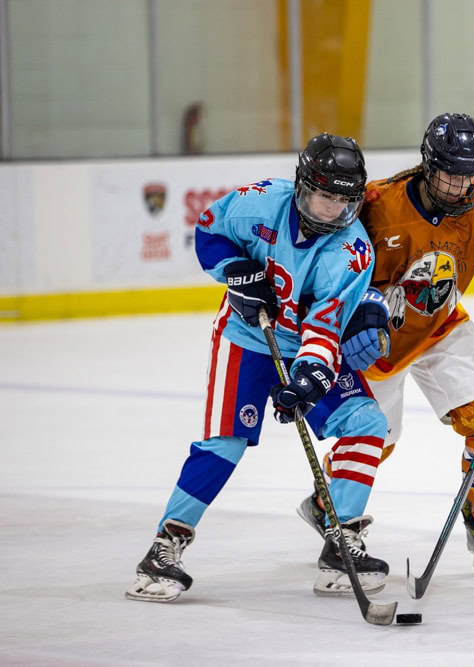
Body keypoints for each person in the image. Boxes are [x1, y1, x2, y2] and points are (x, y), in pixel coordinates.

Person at [126, 134, 392, 603]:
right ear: (302, 185)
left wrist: (308, 380)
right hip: (245, 339)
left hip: (306, 345)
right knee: (225, 442)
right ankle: (164, 548)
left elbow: (326, 327)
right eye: (324, 195)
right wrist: (235, 270)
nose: (332, 209)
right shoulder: (259, 202)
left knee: (367, 422)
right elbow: (210, 230)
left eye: (343, 199)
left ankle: (340, 540)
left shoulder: (353, 252)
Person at [298, 113, 474, 575]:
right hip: (372, 345)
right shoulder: (377, 203)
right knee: (372, 442)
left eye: (469, 175)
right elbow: (329, 268)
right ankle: (329, 509)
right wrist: (360, 307)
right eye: (450, 175)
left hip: (439, 326)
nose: (461, 187)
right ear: (427, 167)